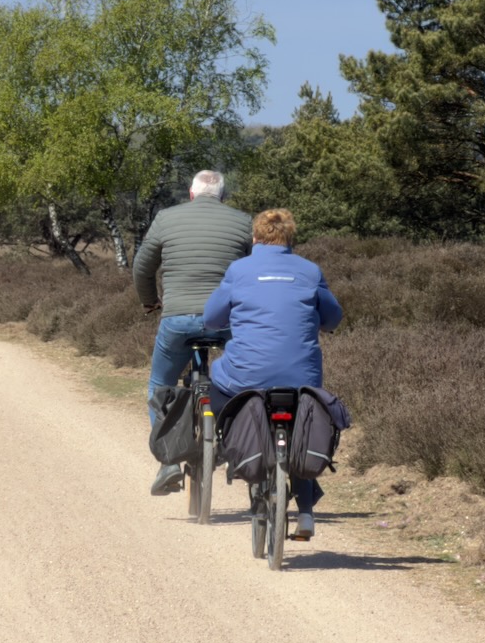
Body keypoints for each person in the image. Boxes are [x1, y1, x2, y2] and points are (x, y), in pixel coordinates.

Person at [200, 208, 343, 538]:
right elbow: (333, 318)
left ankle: (233, 447)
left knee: (218, 381)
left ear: (255, 238)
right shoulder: (310, 271)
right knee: (301, 426)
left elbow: (211, 318)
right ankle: (306, 512)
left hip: (245, 374)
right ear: (291, 237)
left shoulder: (239, 269)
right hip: (301, 378)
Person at [131, 169, 252, 495]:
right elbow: (256, 271)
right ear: (222, 196)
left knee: (160, 384)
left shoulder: (166, 219)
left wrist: (149, 302)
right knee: (247, 380)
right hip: (228, 323)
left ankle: (169, 462)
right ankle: (237, 443)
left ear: (191, 193)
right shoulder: (243, 222)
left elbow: (142, 267)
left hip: (179, 319)